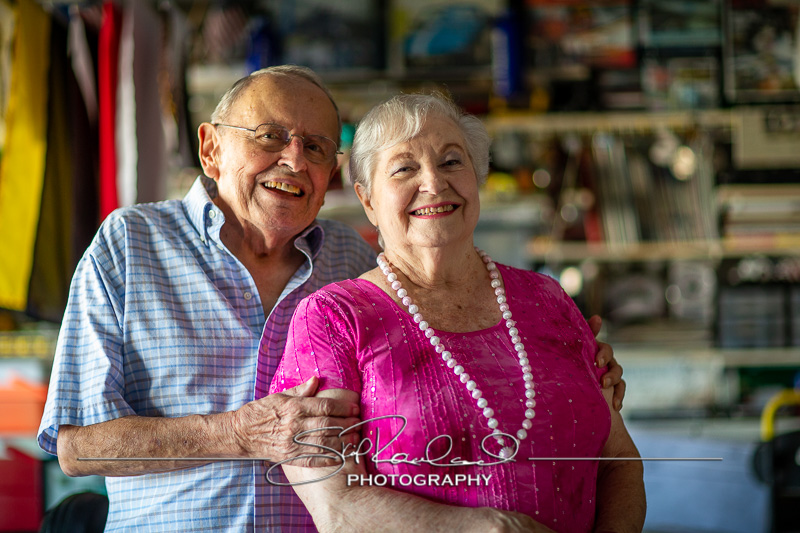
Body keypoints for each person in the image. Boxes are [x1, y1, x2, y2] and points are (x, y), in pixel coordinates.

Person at [37, 66, 624, 531]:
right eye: (270, 136)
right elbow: (77, 447)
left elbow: (451, 358)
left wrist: (570, 364)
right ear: (211, 149)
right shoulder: (131, 246)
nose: (294, 159)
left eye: (317, 147)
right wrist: (239, 434)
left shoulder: (356, 265)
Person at [268, 93, 646, 532]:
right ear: (368, 200)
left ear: (477, 177)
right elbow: (336, 504)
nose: (434, 183)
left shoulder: (548, 300)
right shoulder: (333, 318)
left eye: (451, 162)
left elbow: (619, 462)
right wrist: (490, 528)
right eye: (405, 168)